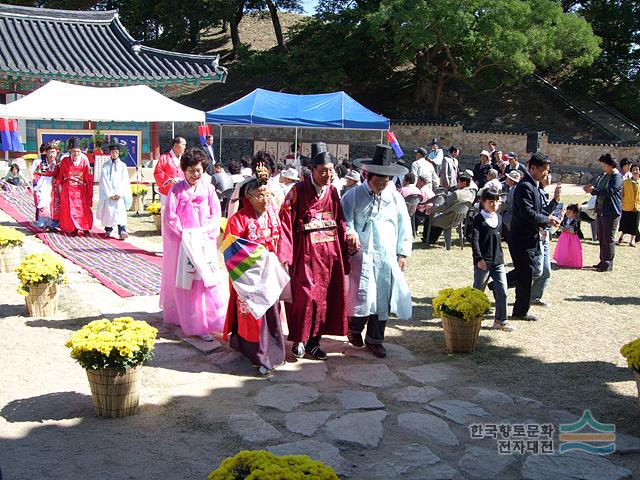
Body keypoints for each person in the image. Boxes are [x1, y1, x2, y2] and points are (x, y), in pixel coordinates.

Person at [278, 142, 350, 360]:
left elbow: (339, 221)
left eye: (331, 171)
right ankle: (299, 339)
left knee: (325, 298)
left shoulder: (333, 192)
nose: (328, 175)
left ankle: (314, 342)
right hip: (305, 254)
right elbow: (284, 220)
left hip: (329, 254)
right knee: (305, 296)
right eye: (323, 171)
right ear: (312, 171)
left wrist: (345, 244)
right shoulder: (298, 191)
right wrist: (286, 253)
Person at [342, 144, 413, 358]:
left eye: (385, 182)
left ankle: (375, 339)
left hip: (386, 255)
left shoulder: (395, 198)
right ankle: (354, 329)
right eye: (377, 182)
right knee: (363, 294)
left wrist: (402, 252)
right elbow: (344, 219)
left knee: (382, 297)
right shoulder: (352, 196)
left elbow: (404, 225)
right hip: (361, 256)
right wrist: (350, 232)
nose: (381, 186)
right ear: (367, 176)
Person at [160, 147, 227, 340]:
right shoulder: (177, 189)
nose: (195, 174)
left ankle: (208, 321)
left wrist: (205, 232)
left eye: (198, 170)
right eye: (191, 171)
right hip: (184, 244)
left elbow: (215, 214)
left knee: (206, 280)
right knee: (187, 281)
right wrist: (185, 234)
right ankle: (191, 322)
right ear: (184, 171)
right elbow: (170, 216)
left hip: (204, 241)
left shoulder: (209, 188)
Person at [223, 176, 286, 376]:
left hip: (270, 275)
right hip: (248, 278)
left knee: (272, 313)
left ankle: (274, 352)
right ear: (248, 197)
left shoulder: (273, 215)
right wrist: (260, 259)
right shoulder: (238, 220)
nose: (265, 199)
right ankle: (257, 354)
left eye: (267, 194)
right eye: (259, 195)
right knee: (252, 318)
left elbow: (281, 241)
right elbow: (230, 250)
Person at [508, 152, 560, 321]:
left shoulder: (535, 186)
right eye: (544, 169)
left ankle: (502, 289)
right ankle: (520, 311)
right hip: (521, 238)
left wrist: (548, 215)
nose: (547, 173)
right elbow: (528, 214)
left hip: (530, 237)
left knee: (527, 273)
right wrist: (547, 220)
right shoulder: (525, 186)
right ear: (533, 168)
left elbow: (538, 212)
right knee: (526, 274)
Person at [471, 189, 513, 332]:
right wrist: (479, 258)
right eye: (491, 201)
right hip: (483, 262)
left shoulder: (499, 218)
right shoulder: (478, 219)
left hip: (498, 261)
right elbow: (475, 240)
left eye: (497, 201)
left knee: (502, 290)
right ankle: (472, 319)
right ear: (484, 203)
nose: (494, 204)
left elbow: (508, 237)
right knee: (478, 291)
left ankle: (501, 321)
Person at [584, 153, 623, 272]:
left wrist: (594, 191)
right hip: (601, 210)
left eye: (604, 165)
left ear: (611, 165)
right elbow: (599, 188)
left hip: (611, 212)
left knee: (608, 239)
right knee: (601, 238)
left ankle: (607, 264)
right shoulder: (605, 176)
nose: (603, 168)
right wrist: (591, 189)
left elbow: (609, 191)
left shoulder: (617, 177)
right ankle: (602, 261)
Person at [422, 175, 475, 245]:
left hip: (448, 219)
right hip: (459, 219)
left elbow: (444, 207)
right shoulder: (471, 194)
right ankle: (432, 238)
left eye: (458, 182)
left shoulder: (456, 193)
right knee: (441, 217)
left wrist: (432, 209)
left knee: (430, 217)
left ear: (464, 183)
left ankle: (427, 238)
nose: (457, 184)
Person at [57, 137, 93, 234]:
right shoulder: (65, 161)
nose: (76, 154)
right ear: (70, 151)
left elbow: (88, 177)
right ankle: (72, 228)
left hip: (81, 190)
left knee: (82, 209)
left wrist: (89, 191)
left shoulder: (84, 161)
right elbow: (60, 177)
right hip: (68, 190)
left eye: (78, 151)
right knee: (69, 209)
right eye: (74, 151)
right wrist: (61, 191)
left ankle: (84, 227)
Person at [96, 143, 132, 240]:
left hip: (119, 194)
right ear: (110, 153)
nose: (114, 154)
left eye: (116, 152)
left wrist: (119, 194)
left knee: (120, 213)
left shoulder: (123, 166)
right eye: (112, 152)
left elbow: (124, 181)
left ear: (119, 153)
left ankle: (122, 230)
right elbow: (104, 180)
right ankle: (108, 229)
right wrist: (110, 194)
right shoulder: (106, 165)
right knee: (109, 212)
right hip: (109, 194)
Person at [31, 143, 61, 231]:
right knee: (44, 204)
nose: (52, 155)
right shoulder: (39, 161)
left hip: (53, 185)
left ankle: (53, 225)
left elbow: (60, 174)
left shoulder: (58, 162)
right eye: (50, 152)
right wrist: (37, 184)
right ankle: (43, 224)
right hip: (42, 184)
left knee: (54, 204)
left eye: (53, 152)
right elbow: (33, 173)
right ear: (46, 153)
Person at [154, 136, 186, 205]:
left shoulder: (184, 159)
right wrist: (168, 180)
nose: (185, 147)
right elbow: (158, 172)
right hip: (167, 191)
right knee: (167, 213)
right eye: (183, 145)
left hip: (181, 190)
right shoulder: (164, 158)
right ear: (176, 145)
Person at [553, 204, 583, 268]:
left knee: (572, 250)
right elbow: (561, 225)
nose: (567, 213)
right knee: (563, 248)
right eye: (567, 211)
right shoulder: (565, 217)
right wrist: (562, 228)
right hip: (564, 236)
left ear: (574, 213)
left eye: (569, 212)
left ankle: (572, 262)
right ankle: (563, 261)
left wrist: (567, 229)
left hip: (572, 238)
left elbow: (576, 230)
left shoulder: (577, 220)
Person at [618, 163, 640, 247]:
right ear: (631, 171)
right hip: (627, 206)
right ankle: (622, 236)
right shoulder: (626, 182)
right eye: (634, 170)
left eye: (637, 170)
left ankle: (632, 240)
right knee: (624, 223)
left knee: (635, 224)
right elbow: (621, 194)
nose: (635, 171)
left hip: (637, 207)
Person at [501, 170, 521, 242]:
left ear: (512, 181)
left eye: (508, 178)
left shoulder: (515, 190)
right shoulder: (511, 189)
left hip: (510, 216)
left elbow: (509, 204)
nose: (506, 179)